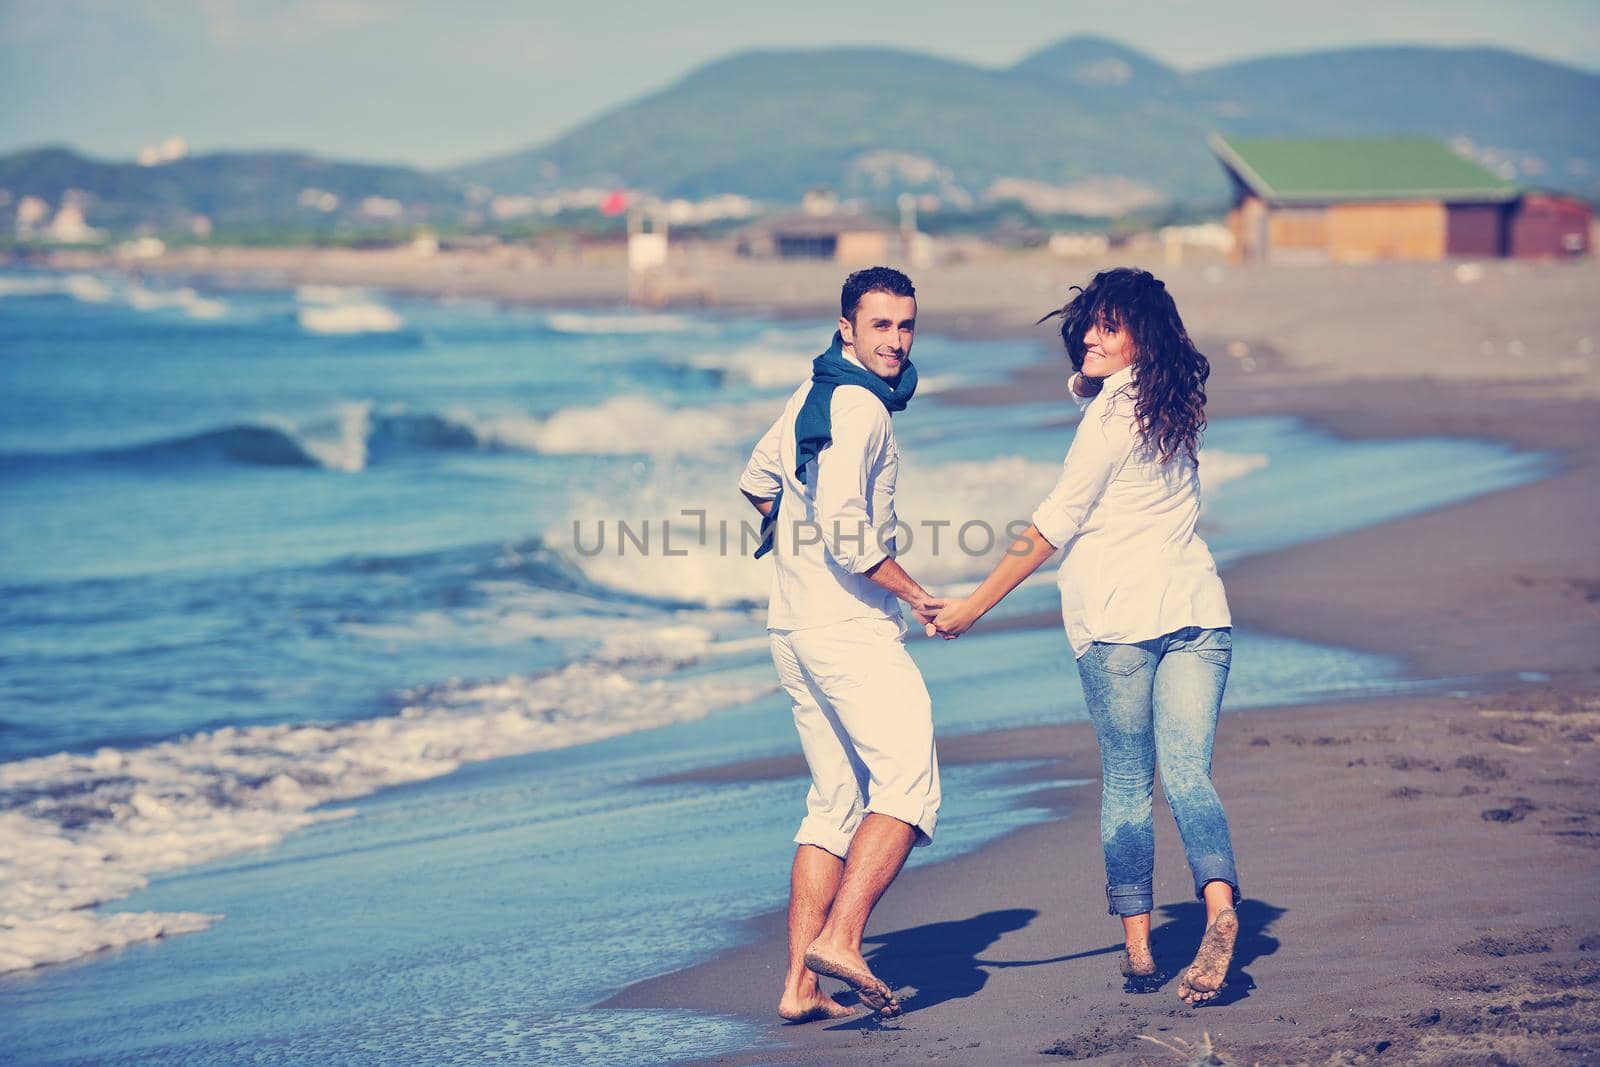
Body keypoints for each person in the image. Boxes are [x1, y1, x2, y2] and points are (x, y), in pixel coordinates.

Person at [930, 267, 1240, 1006]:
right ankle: (1221, 907)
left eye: (1109, 326)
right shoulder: (1177, 402)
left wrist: (974, 605)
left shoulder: (1106, 419)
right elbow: (1106, 396)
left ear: (1142, 334)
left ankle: (1139, 951)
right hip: (1200, 610)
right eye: (1088, 325)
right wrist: (1090, 380)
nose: (1092, 337)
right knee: (1191, 774)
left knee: (1131, 780)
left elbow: (1050, 526)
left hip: (1117, 622)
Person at [738, 266, 945, 1021]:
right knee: (910, 782)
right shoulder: (858, 406)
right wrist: (914, 590)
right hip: (846, 628)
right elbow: (847, 528)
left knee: (834, 801)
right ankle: (844, 938)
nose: (895, 340)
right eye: (880, 325)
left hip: (792, 624)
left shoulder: (812, 391)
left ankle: (799, 984)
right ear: (846, 327)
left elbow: (758, 480)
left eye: (906, 325)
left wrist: (792, 547)